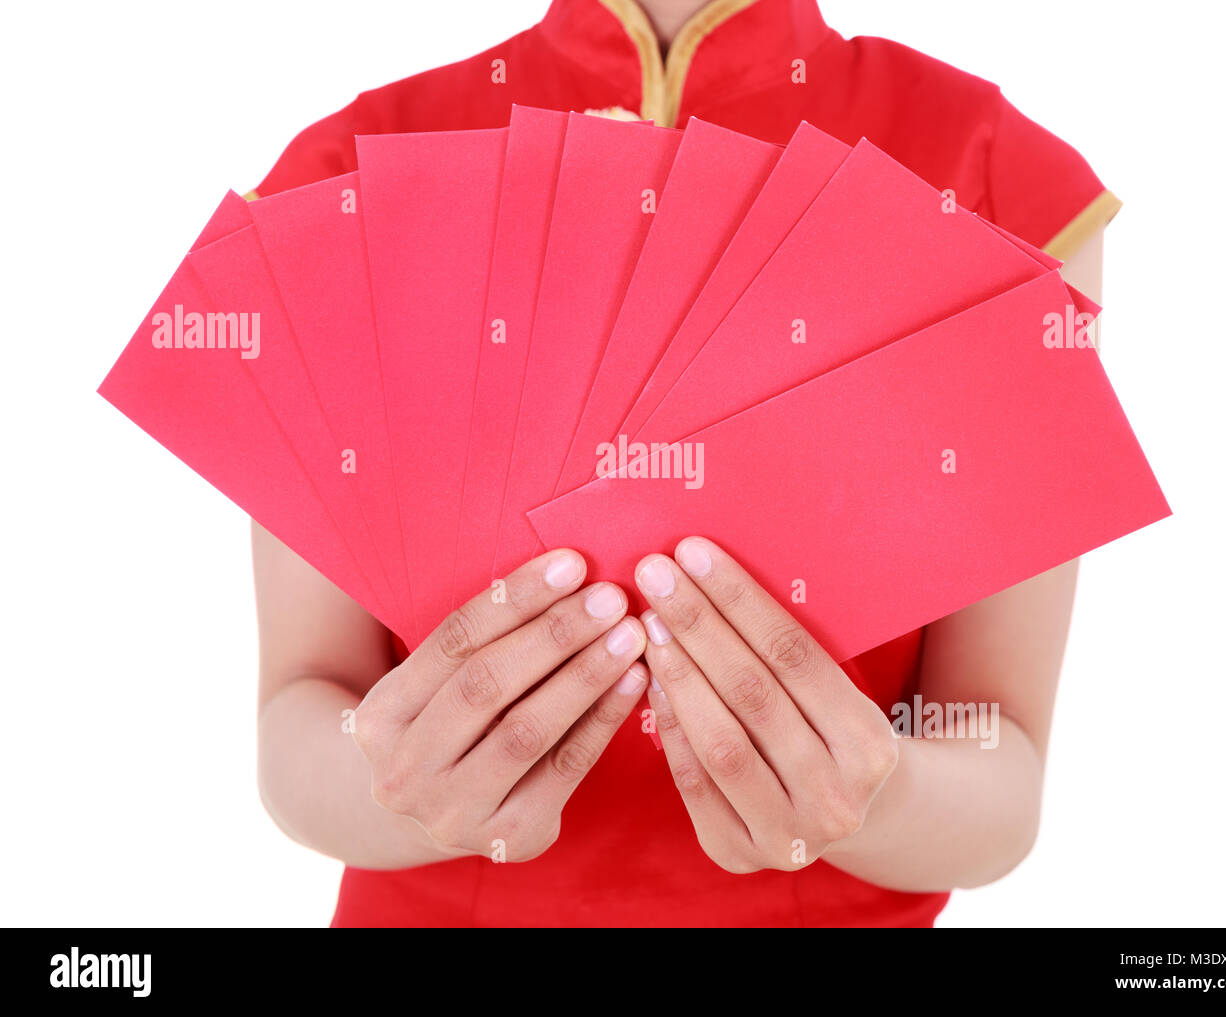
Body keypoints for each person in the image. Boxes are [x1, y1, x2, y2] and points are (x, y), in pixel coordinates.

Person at [252, 0, 1117, 927]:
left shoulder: (996, 181)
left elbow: (1001, 759)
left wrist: (877, 794)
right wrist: (406, 790)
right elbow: (298, 713)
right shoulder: (349, 173)